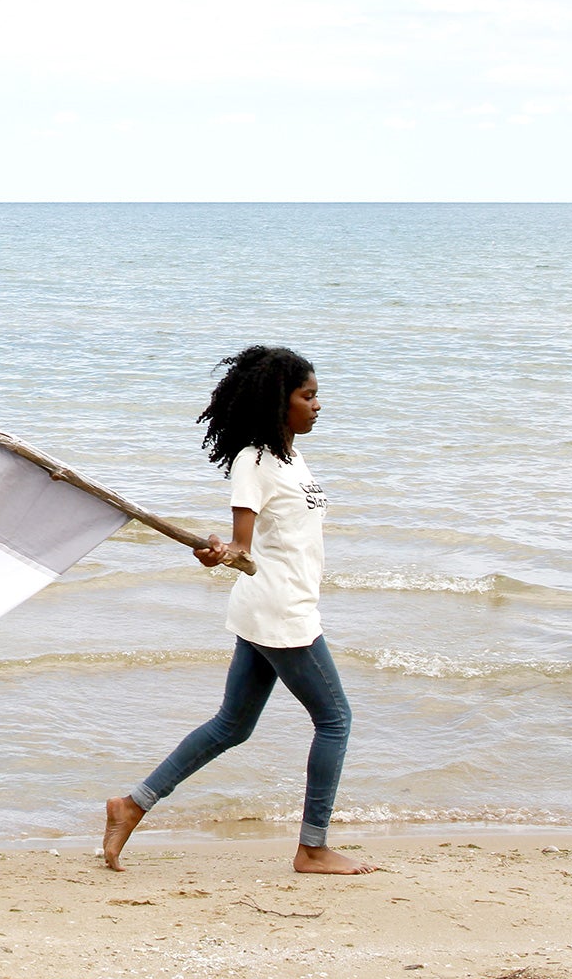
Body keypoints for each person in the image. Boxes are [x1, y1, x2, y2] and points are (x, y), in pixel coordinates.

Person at [101, 345, 376, 876]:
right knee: (336, 720)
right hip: (280, 611)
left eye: (317, 395)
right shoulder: (255, 459)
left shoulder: (290, 456)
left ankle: (131, 805)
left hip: (271, 607)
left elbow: (267, 544)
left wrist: (233, 556)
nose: (318, 405)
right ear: (281, 402)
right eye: (308, 396)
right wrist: (221, 553)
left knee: (232, 725)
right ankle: (313, 848)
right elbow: (241, 545)